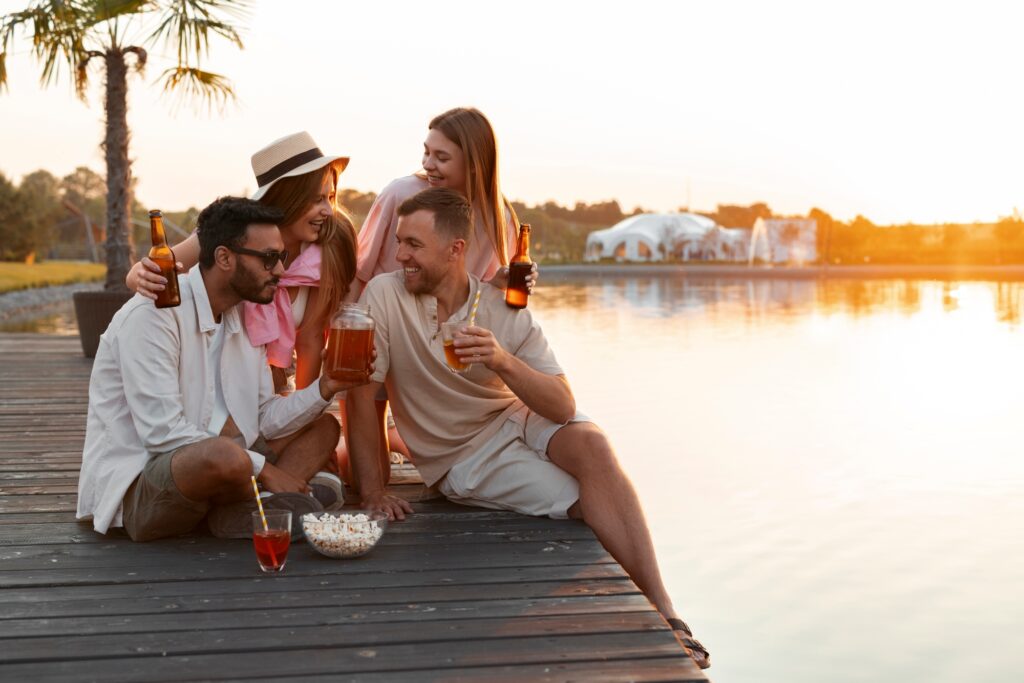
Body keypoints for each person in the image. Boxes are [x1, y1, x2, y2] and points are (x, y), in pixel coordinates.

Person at [346, 188, 711, 669]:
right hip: (464, 455)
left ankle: (665, 611)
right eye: (399, 242)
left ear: (456, 249)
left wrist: (500, 360)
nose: (400, 255)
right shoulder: (385, 296)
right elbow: (359, 393)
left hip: (516, 415)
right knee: (585, 501)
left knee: (592, 443)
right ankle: (647, 622)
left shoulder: (501, 305)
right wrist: (373, 490)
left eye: (413, 244)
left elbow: (561, 405)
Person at [77, 197, 369, 542]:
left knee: (322, 427)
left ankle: (243, 512)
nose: (280, 271)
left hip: (230, 463)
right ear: (224, 257)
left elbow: (264, 415)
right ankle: (262, 503)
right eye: (269, 259)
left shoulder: (243, 315)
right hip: (145, 482)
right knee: (224, 455)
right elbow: (162, 434)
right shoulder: (154, 314)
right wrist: (266, 470)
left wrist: (326, 386)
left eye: (283, 257)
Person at [343, 107, 534, 485]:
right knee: (365, 473)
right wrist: (347, 335)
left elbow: (473, 293)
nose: (429, 164)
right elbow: (359, 271)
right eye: (427, 153)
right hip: (381, 323)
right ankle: (356, 458)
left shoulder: (501, 219)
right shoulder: (401, 193)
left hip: (433, 341)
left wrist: (501, 280)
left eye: (442, 157)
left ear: (475, 164)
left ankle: (415, 447)